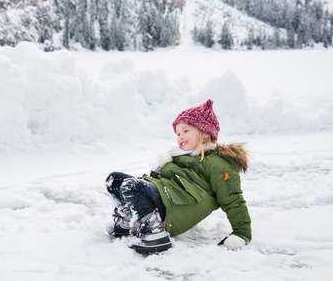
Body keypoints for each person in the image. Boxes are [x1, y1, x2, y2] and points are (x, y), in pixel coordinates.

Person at [105, 99, 252, 254]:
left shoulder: (217, 164)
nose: (180, 136)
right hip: (167, 196)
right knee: (114, 180)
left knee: (131, 186)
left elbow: (232, 199)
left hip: (175, 208)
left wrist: (242, 233)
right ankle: (130, 219)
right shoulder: (181, 157)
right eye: (178, 133)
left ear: (206, 134)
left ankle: (155, 233)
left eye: (186, 131)